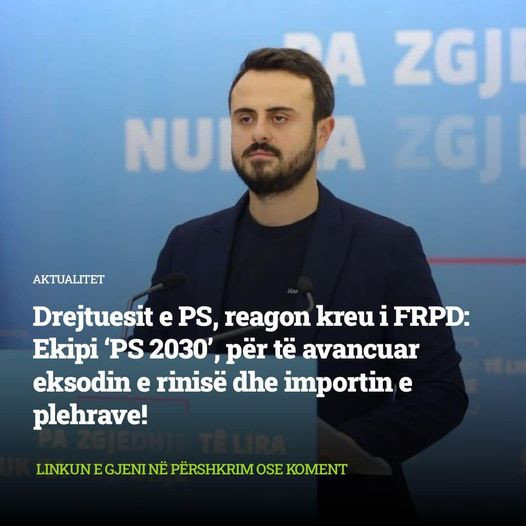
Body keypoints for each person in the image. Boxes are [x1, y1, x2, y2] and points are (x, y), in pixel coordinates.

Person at [135, 48, 468, 521]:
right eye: (245, 118)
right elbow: (146, 381)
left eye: (280, 117)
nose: (259, 132)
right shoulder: (186, 246)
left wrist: (338, 447)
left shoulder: (385, 246)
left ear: (323, 132)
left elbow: (440, 391)